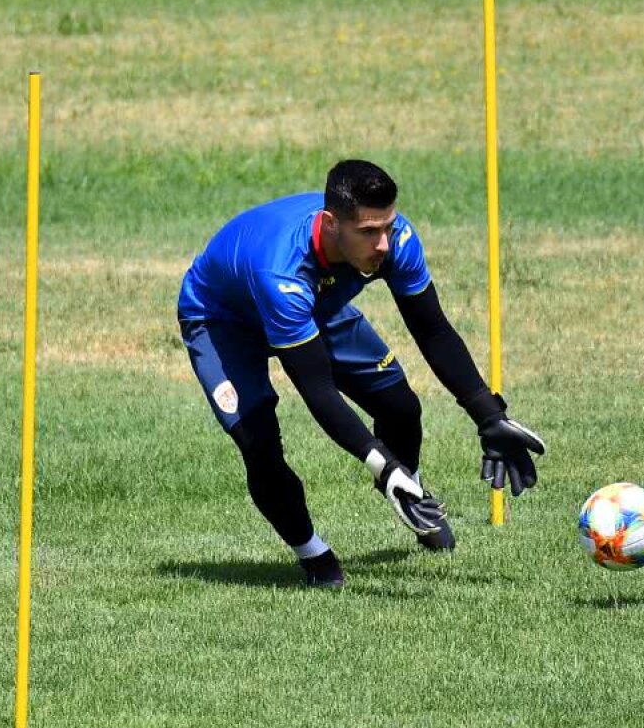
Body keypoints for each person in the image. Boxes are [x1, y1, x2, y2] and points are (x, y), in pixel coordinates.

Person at [176, 160, 545, 588]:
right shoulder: (281, 270)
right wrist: (382, 467)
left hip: (318, 305)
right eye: (369, 232)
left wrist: (488, 413)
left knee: (401, 406)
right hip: (224, 323)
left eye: (387, 226)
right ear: (332, 225)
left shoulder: (394, 239)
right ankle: (314, 555)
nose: (383, 243)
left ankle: (411, 490)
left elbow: (432, 329)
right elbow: (318, 390)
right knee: (259, 444)